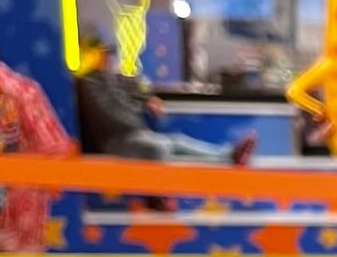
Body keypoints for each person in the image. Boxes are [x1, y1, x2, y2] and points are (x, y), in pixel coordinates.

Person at [74, 31, 255, 165]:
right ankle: (158, 196)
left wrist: (146, 100)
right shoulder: (90, 84)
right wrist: (136, 112)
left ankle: (226, 155)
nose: (109, 59)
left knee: (177, 141)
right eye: (104, 54)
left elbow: (133, 90)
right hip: (117, 141)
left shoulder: (108, 80)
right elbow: (112, 116)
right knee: (160, 147)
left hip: (132, 134)